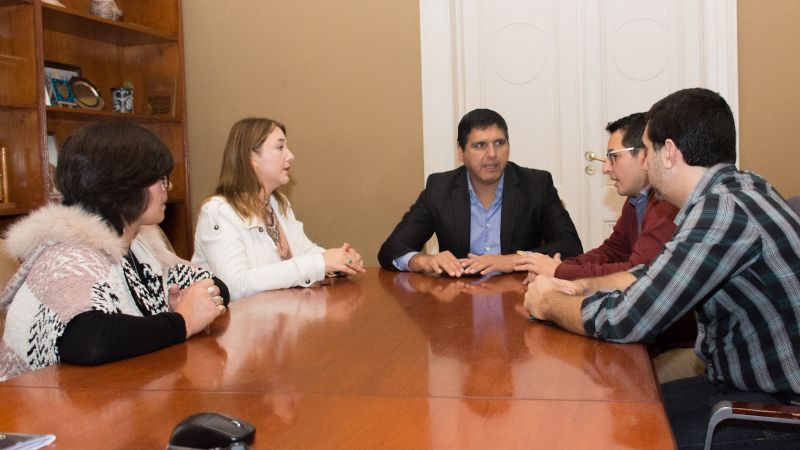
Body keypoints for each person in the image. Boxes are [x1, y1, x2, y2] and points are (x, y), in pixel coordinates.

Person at [523, 88, 800, 448]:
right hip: (744, 389)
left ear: (668, 152)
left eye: (649, 150)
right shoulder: (741, 191)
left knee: (618, 436)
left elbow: (630, 320)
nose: (645, 163)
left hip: (776, 413)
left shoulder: (721, 213)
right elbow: (656, 277)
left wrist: (548, 303)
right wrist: (583, 287)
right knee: (619, 412)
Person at [0, 122, 228, 382]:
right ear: (122, 185)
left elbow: (216, 285)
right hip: (28, 413)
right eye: (159, 179)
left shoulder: (139, 246)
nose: (169, 188)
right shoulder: (67, 255)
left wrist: (193, 302)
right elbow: (90, 340)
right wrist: (182, 320)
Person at [515, 113, 698, 382]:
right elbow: (611, 251)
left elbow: (636, 273)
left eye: (614, 157)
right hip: (648, 338)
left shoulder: (665, 205)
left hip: (674, 344)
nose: (606, 169)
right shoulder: (636, 201)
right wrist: (561, 270)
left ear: (644, 156)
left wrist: (560, 272)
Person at [378, 108, 582, 277]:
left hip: (520, 294)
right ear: (461, 152)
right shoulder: (440, 188)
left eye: (499, 143)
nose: (492, 154)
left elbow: (571, 246)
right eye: (480, 145)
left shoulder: (536, 185)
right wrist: (424, 260)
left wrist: (514, 260)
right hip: (458, 299)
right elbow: (391, 249)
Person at [193, 117, 365, 300]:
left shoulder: (277, 202)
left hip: (281, 318)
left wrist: (339, 260)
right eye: (280, 147)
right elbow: (235, 286)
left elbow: (303, 251)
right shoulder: (219, 212)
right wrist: (320, 263)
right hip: (238, 325)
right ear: (252, 158)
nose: (290, 155)